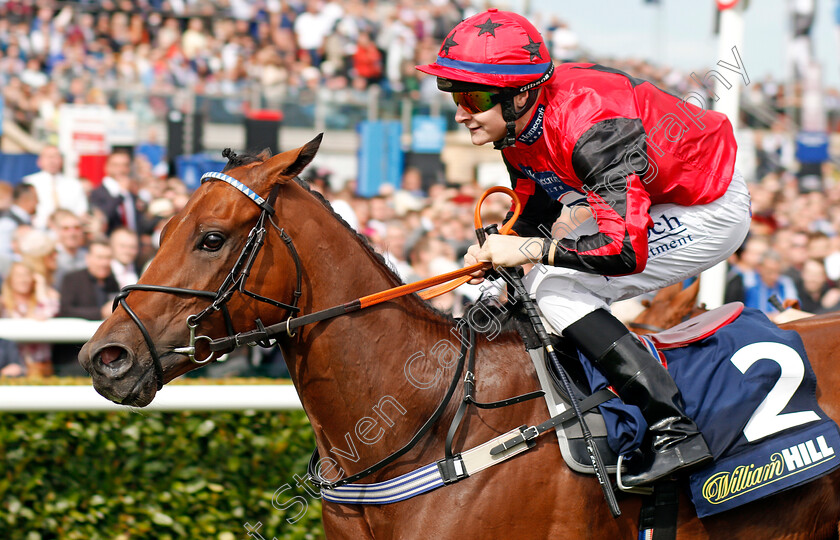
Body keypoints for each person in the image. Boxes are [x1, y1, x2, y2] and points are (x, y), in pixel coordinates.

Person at [416, 9, 752, 487]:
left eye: (475, 96)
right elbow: (535, 207)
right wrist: (500, 248)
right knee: (530, 284)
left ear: (522, 95)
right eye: (454, 95)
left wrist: (530, 251)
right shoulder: (516, 128)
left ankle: (674, 430)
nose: (460, 111)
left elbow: (622, 252)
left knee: (552, 287)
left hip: (710, 205)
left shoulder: (591, 127)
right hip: (661, 199)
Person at [22, 145, 89, 230]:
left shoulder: (74, 184)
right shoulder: (29, 183)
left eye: (55, 156)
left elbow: (82, 211)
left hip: (68, 232)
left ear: (62, 160)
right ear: (39, 161)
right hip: (38, 230)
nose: (52, 161)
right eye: (48, 157)